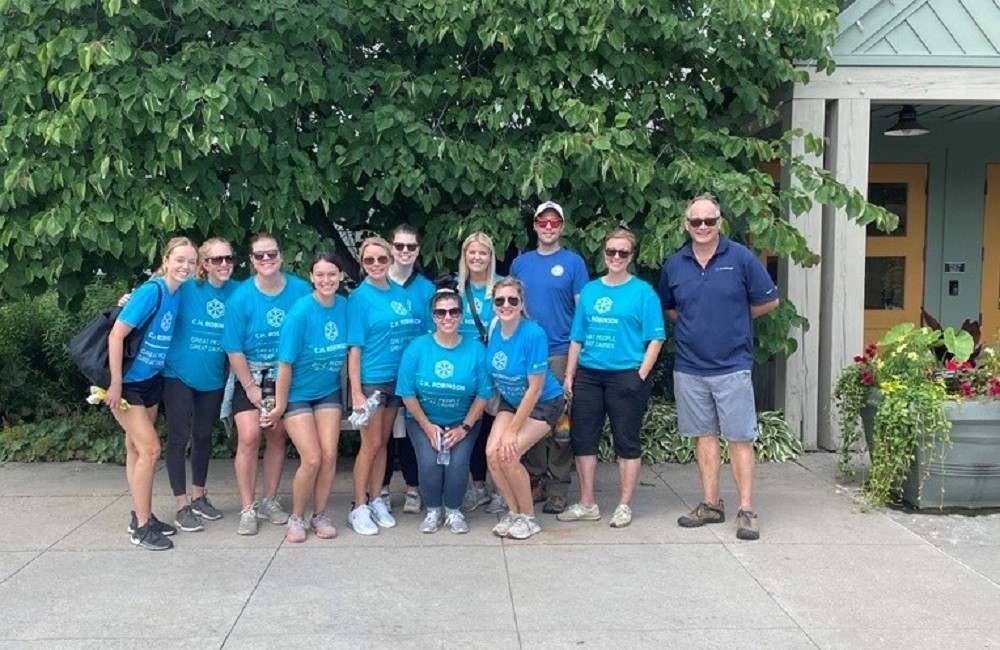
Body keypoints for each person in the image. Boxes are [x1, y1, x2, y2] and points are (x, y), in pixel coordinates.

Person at [657, 195, 779, 541]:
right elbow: (670, 308)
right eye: (696, 222)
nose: (703, 228)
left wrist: (735, 317)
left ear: (720, 223)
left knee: (739, 437)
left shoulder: (741, 258)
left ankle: (746, 510)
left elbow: (770, 300)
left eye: (709, 221)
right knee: (704, 437)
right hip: (690, 365)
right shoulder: (676, 264)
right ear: (686, 224)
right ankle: (711, 504)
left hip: (732, 365)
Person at [559, 228, 665, 528]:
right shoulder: (591, 290)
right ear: (603, 254)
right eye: (611, 252)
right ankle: (588, 502)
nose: (616, 257)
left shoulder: (643, 292)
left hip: (626, 376)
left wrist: (640, 374)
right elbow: (577, 337)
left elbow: (656, 338)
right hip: (590, 375)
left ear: (632, 256)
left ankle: (623, 505)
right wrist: (570, 375)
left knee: (627, 441)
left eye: (623, 253)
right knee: (583, 440)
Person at [107, 236, 198, 551]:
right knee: (150, 450)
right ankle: (142, 528)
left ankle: (140, 515)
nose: (185, 266)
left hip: (150, 381)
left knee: (135, 449)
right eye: (180, 260)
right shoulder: (153, 290)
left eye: (191, 261)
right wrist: (116, 382)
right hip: (126, 383)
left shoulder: (178, 292)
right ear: (166, 260)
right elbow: (117, 336)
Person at [222, 233, 311, 536]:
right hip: (251, 373)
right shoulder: (241, 297)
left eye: (271, 254)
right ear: (251, 260)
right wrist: (249, 386)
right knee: (249, 436)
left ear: (281, 256)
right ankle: (248, 507)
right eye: (259, 256)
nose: (266, 260)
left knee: (277, 434)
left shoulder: (300, 290)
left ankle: (270, 499)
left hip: (285, 374)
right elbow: (233, 347)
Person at [509, 200, 588, 515]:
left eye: (555, 222)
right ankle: (535, 479)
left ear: (562, 227)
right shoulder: (521, 264)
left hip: (558, 353)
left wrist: (572, 363)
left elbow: (581, 313)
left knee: (560, 425)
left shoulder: (573, 263)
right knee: (529, 420)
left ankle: (558, 487)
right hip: (527, 355)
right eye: (543, 222)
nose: (549, 227)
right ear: (535, 226)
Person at [161, 237, 240, 533]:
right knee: (179, 436)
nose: (223, 265)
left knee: (205, 435)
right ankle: (181, 505)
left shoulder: (238, 291)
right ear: (204, 265)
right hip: (178, 374)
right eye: (216, 260)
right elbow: (156, 294)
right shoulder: (185, 287)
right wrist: (127, 300)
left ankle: (199, 496)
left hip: (213, 378)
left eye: (228, 259)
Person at [269, 252, 349, 542]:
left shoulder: (344, 306)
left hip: (327, 389)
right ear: (312, 277)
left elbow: (353, 348)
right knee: (312, 457)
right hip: (297, 393)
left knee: (329, 455)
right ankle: (296, 516)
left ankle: (320, 514)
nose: (326, 280)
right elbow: (285, 364)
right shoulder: (300, 313)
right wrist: (279, 404)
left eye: (332, 274)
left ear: (341, 276)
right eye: (320, 275)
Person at [397, 289, 492, 534]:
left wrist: (464, 428)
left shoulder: (475, 350)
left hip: (463, 420)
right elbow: (407, 392)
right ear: (433, 316)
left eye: (453, 311)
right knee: (429, 462)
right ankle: (433, 510)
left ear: (461, 315)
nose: (447, 317)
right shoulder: (417, 348)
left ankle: (453, 510)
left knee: (458, 463)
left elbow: (483, 394)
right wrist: (427, 427)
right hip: (423, 420)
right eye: (441, 312)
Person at [346, 236, 422, 535]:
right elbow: (354, 349)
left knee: (383, 444)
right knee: (370, 445)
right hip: (372, 379)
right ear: (363, 265)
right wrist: (356, 393)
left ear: (390, 259)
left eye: (381, 259)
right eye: (369, 261)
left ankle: (377, 499)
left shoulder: (400, 293)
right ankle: (359, 505)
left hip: (397, 379)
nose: (376, 265)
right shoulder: (359, 298)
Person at [485, 278, 565, 540]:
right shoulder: (495, 327)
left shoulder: (533, 334)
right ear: (494, 304)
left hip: (543, 401)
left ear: (521, 304)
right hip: (512, 399)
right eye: (500, 300)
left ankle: (529, 518)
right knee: (491, 454)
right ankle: (514, 512)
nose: (506, 305)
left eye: (512, 300)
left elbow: (535, 389)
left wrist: (513, 431)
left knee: (509, 454)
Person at [379, 225, 435, 516]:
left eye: (410, 247)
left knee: (413, 432)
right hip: (382, 372)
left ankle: (413, 489)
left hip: (414, 373)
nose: (404, 252)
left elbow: (430, 334)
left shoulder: (426, 289)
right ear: (390, 248)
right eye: (399, 246)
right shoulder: (377, 283)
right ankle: (383, 489)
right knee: (384, 436)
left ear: (418, 250)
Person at [455, 232, 505, 515]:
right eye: (472, 253)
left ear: (491, 257)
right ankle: (478, 488)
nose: (477, 258)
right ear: (465, 256)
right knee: (473, 430)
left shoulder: (501, 287)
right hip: (466, 370)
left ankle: (500, 489)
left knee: (496, 432)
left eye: (483, 253)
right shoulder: (456, 289)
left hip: (498, 370)